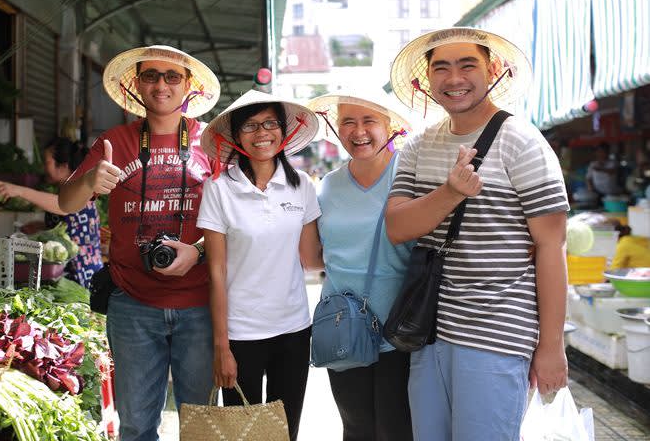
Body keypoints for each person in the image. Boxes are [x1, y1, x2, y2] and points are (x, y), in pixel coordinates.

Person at [385, 27, 570, 441]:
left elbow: (552, 245)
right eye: (441, 68)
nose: (454, 79)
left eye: (467, 65)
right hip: (428, 328)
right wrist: (450, 192)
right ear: (427, 78)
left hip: (496, 334)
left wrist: (552, 346)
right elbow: (397, 228)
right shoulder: (418, 145)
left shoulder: (522, 142)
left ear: (492, 70)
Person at [58, 45, 220, 441]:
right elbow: (66, 202)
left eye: (172, 76)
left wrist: (198, 250)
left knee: (201, 426)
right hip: (132, 303)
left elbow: (234, 219)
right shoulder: (114, 141)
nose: (161, 85)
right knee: (135, 426)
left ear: (189, 85)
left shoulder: (213, 142)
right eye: (151, 75)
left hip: (200, 302)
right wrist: (89, 180)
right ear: (137, 84)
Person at [196, 90, 321, 440]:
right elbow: (216, 274)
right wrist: (221, 347)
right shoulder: (219, 189)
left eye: (270, 123)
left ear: (283, 130)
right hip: (241, 334)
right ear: (236, 137)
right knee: (243, 434)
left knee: (285, 432)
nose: (262, 133)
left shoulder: (302, 186)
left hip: (294, 330)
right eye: (250, 126)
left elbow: (312, 259)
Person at [305, 91, 414, 441]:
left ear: (389, 126)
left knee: (399, 431)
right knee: (356, 430)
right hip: (344, 328)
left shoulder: (410, 175)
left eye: (369, 121)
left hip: (402, 330)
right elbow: (314, 258)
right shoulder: (327, 186)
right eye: (348, 122)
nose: (359, 131)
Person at [0, 137, 102, 287]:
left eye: (47, 162)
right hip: (71, 272)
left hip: (80, 274)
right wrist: (42, 227)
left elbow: (63, 206)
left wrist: (19, 190)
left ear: (63, 167)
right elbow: (70, 223)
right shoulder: (69, 189)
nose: (43, 168)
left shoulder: (78, 190)